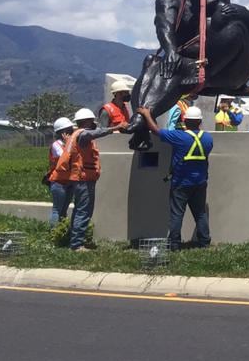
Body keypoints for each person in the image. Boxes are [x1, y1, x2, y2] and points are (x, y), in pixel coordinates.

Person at [138, 104, 212, 250]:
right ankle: (204, 242)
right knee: (200, 213)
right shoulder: (208, 138)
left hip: (181, 183)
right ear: (200, 122)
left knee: (177, 214)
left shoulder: (179, 137)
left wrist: (146, 114)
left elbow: (156, 131)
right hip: (200, 182)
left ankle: (174, 245)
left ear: (184, 120)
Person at [49, 108, 120, 251]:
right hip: (83, 179)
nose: (94, 124)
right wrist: (114, 128)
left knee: (79, 210)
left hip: (78, 178)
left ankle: (74, 241)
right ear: (86, 121)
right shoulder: (82, 134)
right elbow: (93, 133)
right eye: (92, 121)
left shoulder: (75, 135)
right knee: (83, 211)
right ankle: (76, 244)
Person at [45, 116, 75, 225]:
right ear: (62, 133)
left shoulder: (71, 144)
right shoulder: (56, 145)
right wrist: (68, 144)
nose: (72, 133)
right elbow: (65, 157)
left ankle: (62, 232)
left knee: (63, 211)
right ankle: (54, 234)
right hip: (58, 182)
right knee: (57, 210)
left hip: (69, 181)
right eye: (69, 131)